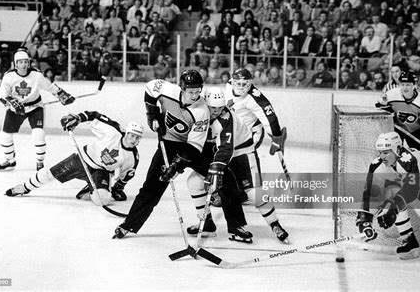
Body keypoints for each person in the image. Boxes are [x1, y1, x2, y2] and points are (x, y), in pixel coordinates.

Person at [113, 70, 210, 239]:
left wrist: (176, 166)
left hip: (190, 148)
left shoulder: (202, 110)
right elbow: (150, 89)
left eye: (197, 91)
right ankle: (129, 225)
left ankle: (220, 223)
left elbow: (195, 145)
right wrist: (152, 114)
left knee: (221, 178)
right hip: (168, 144)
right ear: (182, 88)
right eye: (190, 92)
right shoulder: (168, 90)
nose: (194, 96)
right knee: (151, 187)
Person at [5, 111, 143, 204]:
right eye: (132, 135)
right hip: (82, 160)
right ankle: (24, 187)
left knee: (103, 200)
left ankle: (89, 189)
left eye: (137, 137)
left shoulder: (133, 157)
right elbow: (95, 116)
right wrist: (77, 118)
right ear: (127, 133)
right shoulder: (113, 131)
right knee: (49, 174)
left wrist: (118, 189)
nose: (134, 139)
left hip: (101, 171)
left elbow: (126, 175)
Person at [222, 68, 289, 242]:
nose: (242, 87)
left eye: (246, 84)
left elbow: (270, 116)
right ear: (231, 81)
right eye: (238, 83)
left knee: (253, 188)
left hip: (248, 137)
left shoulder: (254, 97)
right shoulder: (227, 87)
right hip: (227, 140)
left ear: (251, 83)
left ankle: (274, 224)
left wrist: (276, 137)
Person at [356, 132, 420, 259]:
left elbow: (411, 192)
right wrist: (365, 217)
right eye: (380, 152)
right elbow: (369, 191)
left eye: (386, 152)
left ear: (397, 149)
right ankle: (410, 242)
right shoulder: (377, 165)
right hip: (405, 184)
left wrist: (393, 207)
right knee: (391, 194)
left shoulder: (408, 161)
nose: (382, 157)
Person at [185, 87, 255, 243]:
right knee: (194, 182)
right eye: (213, 108)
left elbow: (226, 147)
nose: (216, 111)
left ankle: (237, 226)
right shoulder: (195, 111)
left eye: (219, 107)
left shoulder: (227, 117)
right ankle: (207, 223)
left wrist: (217, 167)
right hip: (200, 150)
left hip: (223, 153)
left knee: (226, 183)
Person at [0, 50, 75, 172]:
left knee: (38, 134)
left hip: (35, 107)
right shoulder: (9, 76)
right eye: (20, 62)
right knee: (5, 136)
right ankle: (10, 160)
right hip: (15, 110)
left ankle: (40, 163)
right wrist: (12, 102)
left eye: (26, 62)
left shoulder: (36, 75)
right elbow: (1, 95)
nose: (23, 65)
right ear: (15, 64)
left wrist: (61, 94)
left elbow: (49, 86)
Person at [375, 71, 420, 165]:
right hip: (397, 127)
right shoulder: (392, 94)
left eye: (408, 85)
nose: (405, 88)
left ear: (414, 85)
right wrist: (389, 111)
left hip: (414, 129)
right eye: (402, 84)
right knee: (391, 148)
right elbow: (379, 105)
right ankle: (389, 165)